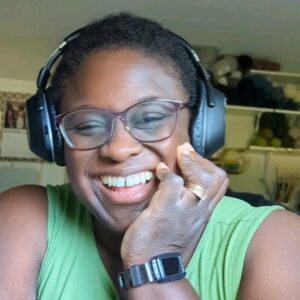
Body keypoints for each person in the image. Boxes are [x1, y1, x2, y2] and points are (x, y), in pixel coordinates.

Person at [0, 13, 300, 300]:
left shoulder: (279, 240)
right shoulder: (23, 216)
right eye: (87, 125)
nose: (118, 149)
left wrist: (153, 261)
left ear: (200, 130)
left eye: (150, 118)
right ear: (53, 141)